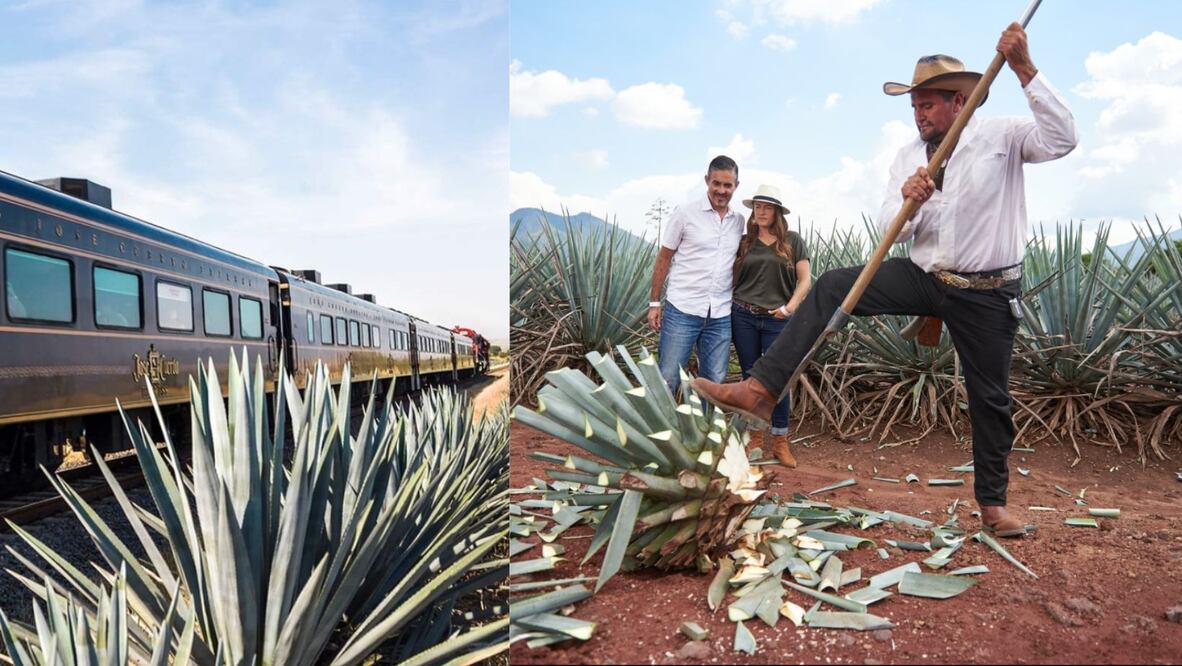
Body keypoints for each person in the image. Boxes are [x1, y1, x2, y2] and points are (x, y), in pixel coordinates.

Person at [692, 24, 1077, 537]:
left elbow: (1063, 139)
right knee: (831, 286)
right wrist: (909, 201)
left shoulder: (1002, 136)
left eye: (928, 105)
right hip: (925, 277)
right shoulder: (907, 157)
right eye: (913, 106)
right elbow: (888, 231)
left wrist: (1025, 67)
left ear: (960, 101)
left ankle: (992, 504)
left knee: (990, 399)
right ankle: (761, 388)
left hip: (986, 291)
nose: (918, 115)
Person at [647, 155, 746, 394]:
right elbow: (664, 257)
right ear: (707, 181)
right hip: (682, 309)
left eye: (727, 185)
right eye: (716, 183)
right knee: (669, 376)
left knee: (714, 379)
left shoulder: (739, 221)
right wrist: (654, 302)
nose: (721, 190)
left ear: (736, 186)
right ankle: (664, 429)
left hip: (720, 313)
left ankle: (704, 429)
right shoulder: (685, 213)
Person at [730, 184, 810, 467]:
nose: (761, 212)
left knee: (780, 380)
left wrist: (789, 308)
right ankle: (753, 436)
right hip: (743, 316)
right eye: (757, 207)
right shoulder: (744, 242)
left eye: (766, 207)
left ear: (776, 211)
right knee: (750, 378)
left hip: (778, 319)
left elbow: (805, 281)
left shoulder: (792, 240)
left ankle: (779, 439)